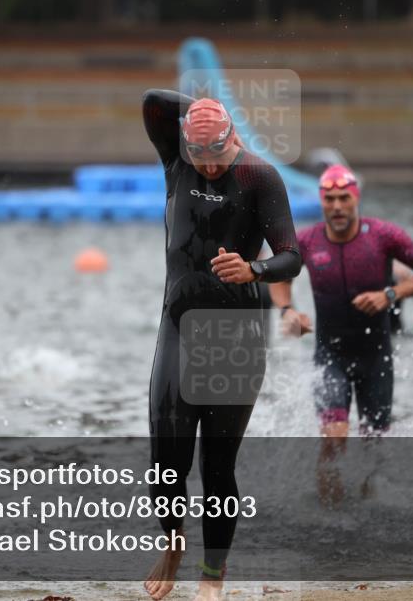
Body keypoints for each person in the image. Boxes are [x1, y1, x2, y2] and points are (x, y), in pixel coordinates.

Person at [141, 90, 301, 601]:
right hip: (178, 329)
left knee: (217, 466)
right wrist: (206, 111)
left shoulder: (259, 176)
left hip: (237, 336)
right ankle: (173, 540)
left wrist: (254, 268)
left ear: (233, 140)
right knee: (166, 463)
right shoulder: (176, 162)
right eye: (199, 154)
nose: (209, 166)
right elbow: (151, 100)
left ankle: (212, 577)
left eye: (217, 152)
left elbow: (292, 256)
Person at [270, 165, 413, 438]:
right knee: (334, 437)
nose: (337, 206)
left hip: (376, 359)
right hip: (330, 357)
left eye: (344, 198)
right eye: (330, 199)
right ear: (321, 202)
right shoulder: (307, 240)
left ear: (356, 198)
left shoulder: (382, 235)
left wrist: (390, 295)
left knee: (373, 445)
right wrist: (287, 310)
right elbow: (279, 277)